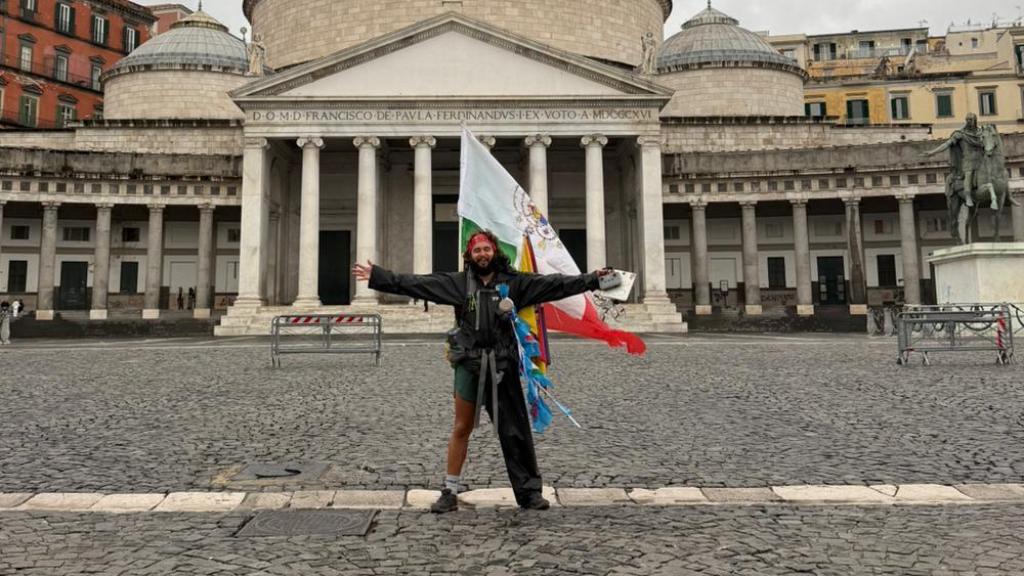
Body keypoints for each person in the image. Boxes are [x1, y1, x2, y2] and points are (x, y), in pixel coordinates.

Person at [353, 229, 613, 513]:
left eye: (486, 249)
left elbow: (556, 285)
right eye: (477, 250)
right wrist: (378, 276)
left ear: (495, 251)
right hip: (469, 363)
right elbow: (418, 284)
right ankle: (449, 491)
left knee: (515, 430)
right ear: (470, 255)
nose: (482, 254)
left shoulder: (516, 283)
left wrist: (592, 279)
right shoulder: (458, 283)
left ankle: (529, 494)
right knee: (462, 427)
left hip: (503, 364)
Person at [924, 113, 984, 209]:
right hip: (968, 161)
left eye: (970, 120)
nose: (969, 122)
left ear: (975, 120)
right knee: (969, 174)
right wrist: (933, 152)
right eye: (967, 120)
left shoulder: (981, 133)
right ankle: (968, 196)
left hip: (980, 160)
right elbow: (947, 144)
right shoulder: (960, 134)